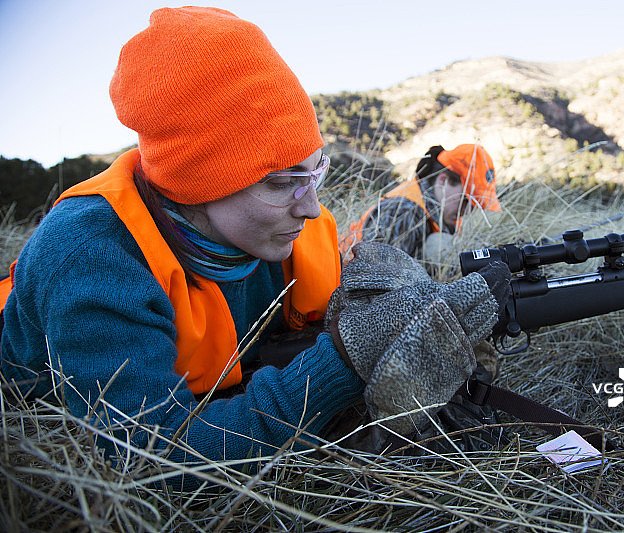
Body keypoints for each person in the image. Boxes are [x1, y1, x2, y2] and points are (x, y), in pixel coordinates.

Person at [0, 7, 509, 476]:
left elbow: (318, 338)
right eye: (280, 182)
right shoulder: (91, 255)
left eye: (316, 173)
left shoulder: (281, 231)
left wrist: (407, 317)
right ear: (199, 183)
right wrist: (342, 364)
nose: (311, 208)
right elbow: (151, 461)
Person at [341, 144, 502, 263]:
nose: (468, 211)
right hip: (343, 299)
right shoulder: (403, 212)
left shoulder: (442, 216)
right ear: (443, 180)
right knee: (437, 245)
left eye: (476, 206)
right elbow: (376, 284)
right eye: (467, 201)